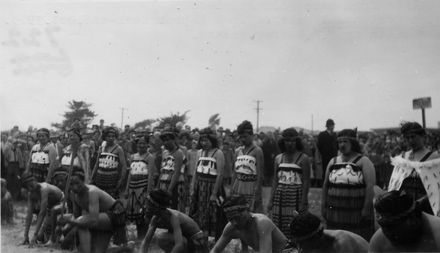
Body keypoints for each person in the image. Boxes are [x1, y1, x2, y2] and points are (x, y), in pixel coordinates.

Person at [321, 129, 376, 240]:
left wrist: (366, 209)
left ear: (353, 143)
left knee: (355, 240)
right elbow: (325, 185)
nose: (342, 145)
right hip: (335, 211)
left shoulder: (364, 161)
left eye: (345, 141)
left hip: (356, 211)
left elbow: (370, 187)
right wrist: (323, 207)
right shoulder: (333, 161)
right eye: (340, 142)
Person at [59, 168, 127, 253]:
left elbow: (93, 221)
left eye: (77, 183)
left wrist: (71, 225)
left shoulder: (92, 192)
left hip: (115, 214)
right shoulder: (73, 194)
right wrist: (65, 224)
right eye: (72, 184)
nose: (75, 187)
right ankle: (127, 248)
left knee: (81, 221)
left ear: (83, 181)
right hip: (100, 218)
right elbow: (76, 216)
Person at [388, 122, 440, 215]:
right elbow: (395, 184)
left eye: (413, 137)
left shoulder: (434, 158)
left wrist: (421, 202)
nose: (410, 140)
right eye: (407, 138)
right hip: (404, 206)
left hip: (427, 206)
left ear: (422, 136)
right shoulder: (403, 158)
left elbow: (437, 187)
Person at [211, 195, 290, 253]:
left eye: (237, 218)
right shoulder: (231, 227)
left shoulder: (262, 223)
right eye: (230, 219)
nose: (234, 223)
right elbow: (215, 250)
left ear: (245, 213)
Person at [268, 128, 311, 236]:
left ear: (297, 142)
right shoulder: (278, 158)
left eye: (293, 141)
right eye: (287, 141)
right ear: (283, 142)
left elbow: (306, 181)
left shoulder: (303, 158)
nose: (290, 143)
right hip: (280, 194)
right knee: (279, 223)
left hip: (296, 195)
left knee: (295, 223)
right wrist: (271, 200)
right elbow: (275, 180)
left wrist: (303, 201)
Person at [139, 189, 209, 253]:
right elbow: (146, 241)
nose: (146, 206)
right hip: (186, 241)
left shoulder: (173, 217)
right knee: (161, 238)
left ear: (157, 207)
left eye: (148, 204)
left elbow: (179, 245)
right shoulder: (155, 218)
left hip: (197, 243)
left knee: (161, 238)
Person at [369, 190, 440, 252]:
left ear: (412, 221)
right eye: (383, 227)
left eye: (392, 227)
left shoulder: (437, 233)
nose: (388, 234)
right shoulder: (379, 242)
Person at [190, 127, 227, 239]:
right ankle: (200, 236)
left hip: (212, 186)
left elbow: (220, 174)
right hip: (199, 186)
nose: (204, 143)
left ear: (212, 140)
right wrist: (193, 187)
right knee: (198, 211)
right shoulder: (199, 152)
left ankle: (213, 239)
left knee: (213, 212)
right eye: (202, 140)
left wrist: (214, 193)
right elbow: (196, 171)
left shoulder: (218, 153)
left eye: (206, 140)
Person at [289, 211, 369, 253]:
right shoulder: (314, 242)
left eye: (301, 243)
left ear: (314, 239)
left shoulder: (342, 243)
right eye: (298, 243)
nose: (301, 248)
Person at [20, 172, 64, 247]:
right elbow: (29, 214)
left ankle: (53, 239)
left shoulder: (44, 188)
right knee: (40, 238)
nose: (30, 188)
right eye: (28, 187)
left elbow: (42, 212)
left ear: (34, 180)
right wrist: (26, 236)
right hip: (50, 208)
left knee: (53, 210)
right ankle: (51, 234)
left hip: (61, 203)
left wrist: (34, 235)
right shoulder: (31, 193)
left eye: (31, 185)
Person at [124, 135, 155, 239]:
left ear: (147, 145)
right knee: (135, 213)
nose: (141, 145)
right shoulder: (133, 156)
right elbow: (130, 173)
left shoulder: (150, 157)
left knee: (143, 213)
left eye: (143, 143)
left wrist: (148, 191)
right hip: (133, 188)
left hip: (142, 187)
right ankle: (138, 236)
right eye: (139, 143)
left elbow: (150, 174)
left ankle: (143, 237)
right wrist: (127, 189)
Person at [231, 120, 264, 212]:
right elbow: (234, 171)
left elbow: (260, 173)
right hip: (238, 185)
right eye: (241, 137)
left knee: (250, 214)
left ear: (252, 135)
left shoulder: (257, 151)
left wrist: (257, 191)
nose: (242, 139)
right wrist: (232, 187)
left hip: (251, 186)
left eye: (245, 137)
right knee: (238, 212)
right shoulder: (238, 151)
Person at [91, 127, 127, 199]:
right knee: (100, 200)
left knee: (111, 201)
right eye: (109, 136)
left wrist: (121, 180)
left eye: (113, 136)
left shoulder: (118, 149)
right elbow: (97, 164)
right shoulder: (102, 148)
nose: (111, 138)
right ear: (105, 137)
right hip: (99, 179)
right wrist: (92, 177)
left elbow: (124, 165)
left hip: (112, 180)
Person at [158, 128, 186, 212]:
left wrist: (170, 189)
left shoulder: (179, 153)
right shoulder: (165, 152)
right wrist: (158, 185)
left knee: (174, 207)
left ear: (174, 140)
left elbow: (177, 172)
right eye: (164, 140)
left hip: (175, 184)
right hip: (163, 183)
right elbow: (162, 170)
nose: (165, 142)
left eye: (168, 140)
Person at [317, 119, 338, 187]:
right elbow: (319, 145)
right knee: (326, 170)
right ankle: (325, 185)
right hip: (325, 156)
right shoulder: (322, 134)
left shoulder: (335, 134)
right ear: (328, 126)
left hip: (334, 156)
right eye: (332, 125)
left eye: (333, 125)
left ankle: (333, 184)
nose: (333, 127)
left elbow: (337, 145)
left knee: (334, 170)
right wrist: (323, 152)